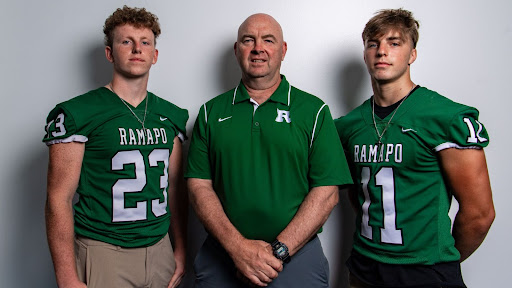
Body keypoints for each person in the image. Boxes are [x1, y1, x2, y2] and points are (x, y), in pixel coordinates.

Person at [186, 13, 352, 288]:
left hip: (296, 256)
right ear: (237, 49)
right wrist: (238, 249)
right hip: (222, 255)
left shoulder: (313, 111)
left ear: (283, 50)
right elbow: (198, 186)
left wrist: (274, 253)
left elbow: (327, 193)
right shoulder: (209, 112)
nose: (258, 48)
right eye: (248, 40)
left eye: (268, 40)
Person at [335, 8, 495, 288]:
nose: (382, 51)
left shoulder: (444, 117)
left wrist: (435, 259)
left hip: (423, 271)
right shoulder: (348, 125)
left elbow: (479, 215)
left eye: (394, 43)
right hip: (364, 267)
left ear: (412, 55)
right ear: (365, 54)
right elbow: (357, 196)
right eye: (373, 44)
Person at [43, 6, 188, 288]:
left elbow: (173, 188)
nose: (137, 49)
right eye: (126, 41)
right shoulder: (79, 113)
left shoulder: (171, 115)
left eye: (145, 42)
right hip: (104, 251)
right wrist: (66, 276)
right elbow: (58, 199)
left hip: (160, 249)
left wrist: (180, 247)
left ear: (154, 55)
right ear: (110, 53)